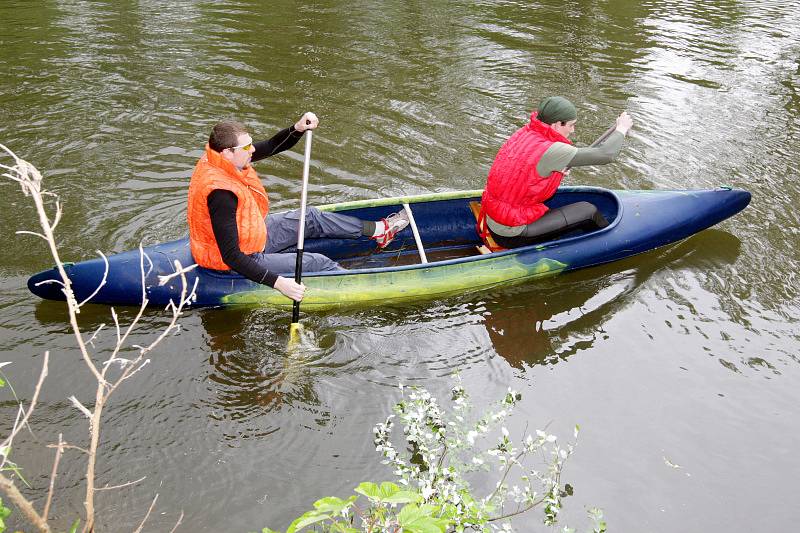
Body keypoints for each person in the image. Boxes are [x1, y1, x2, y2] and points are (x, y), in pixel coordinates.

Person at [187, 112, 409, 302]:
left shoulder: (222, 158)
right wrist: (279, 284)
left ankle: (381, 231)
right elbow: (231, 256)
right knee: (317, 262)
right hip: (232, 257)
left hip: (251, 235)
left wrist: (298, 128)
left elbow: (273, 145)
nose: (253, 149)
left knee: (310, 217)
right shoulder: (221, 194)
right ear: (227, 152)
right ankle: (363, 289)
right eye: (246, 146)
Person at [480, 96, 634, 249]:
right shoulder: (552, 150)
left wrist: (552, 172)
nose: (573, 131)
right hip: (511, 233)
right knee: (588, 210)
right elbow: (606, 154)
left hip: (494, 217)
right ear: (556, 124)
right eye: (571, 125)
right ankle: (611, 245)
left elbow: (520, 170)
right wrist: (621, 128)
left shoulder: (525, 133)